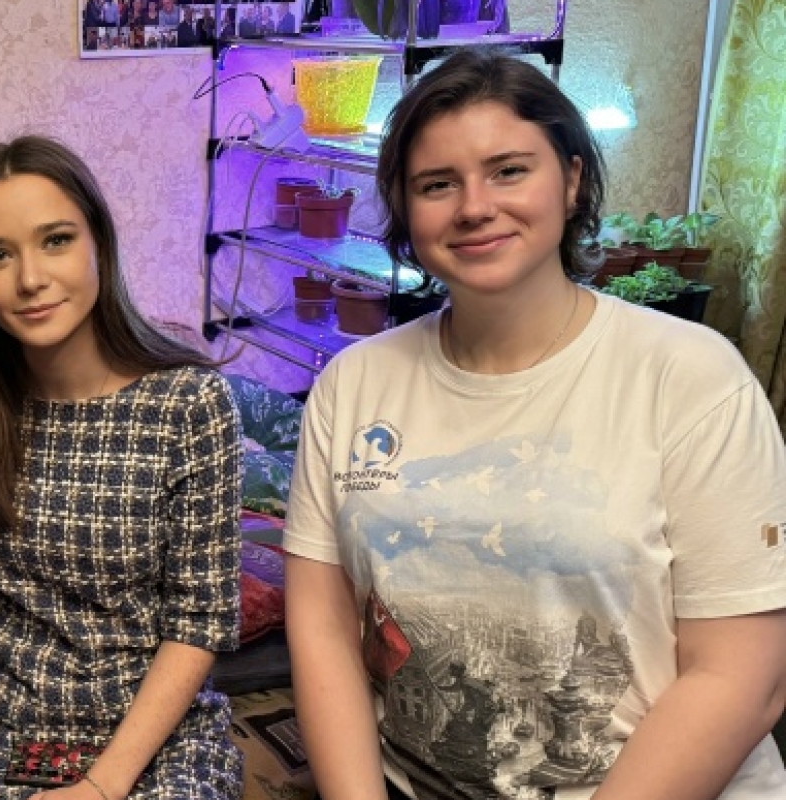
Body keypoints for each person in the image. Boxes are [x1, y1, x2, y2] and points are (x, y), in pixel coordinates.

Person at [282, 48, 786, 800]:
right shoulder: (354, 383)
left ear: (572, 179)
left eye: (509, 170)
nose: (474, 206)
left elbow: (742, 678)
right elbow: (323, 628)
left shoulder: (692, 378)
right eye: (437, 184)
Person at [0, 135, 245, 800]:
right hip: (9, 722)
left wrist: (103, 786)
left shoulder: (189, 404)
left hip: (158, 730)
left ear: (99, 243)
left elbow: (200, 623)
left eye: (55, 240)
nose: (30, 279)